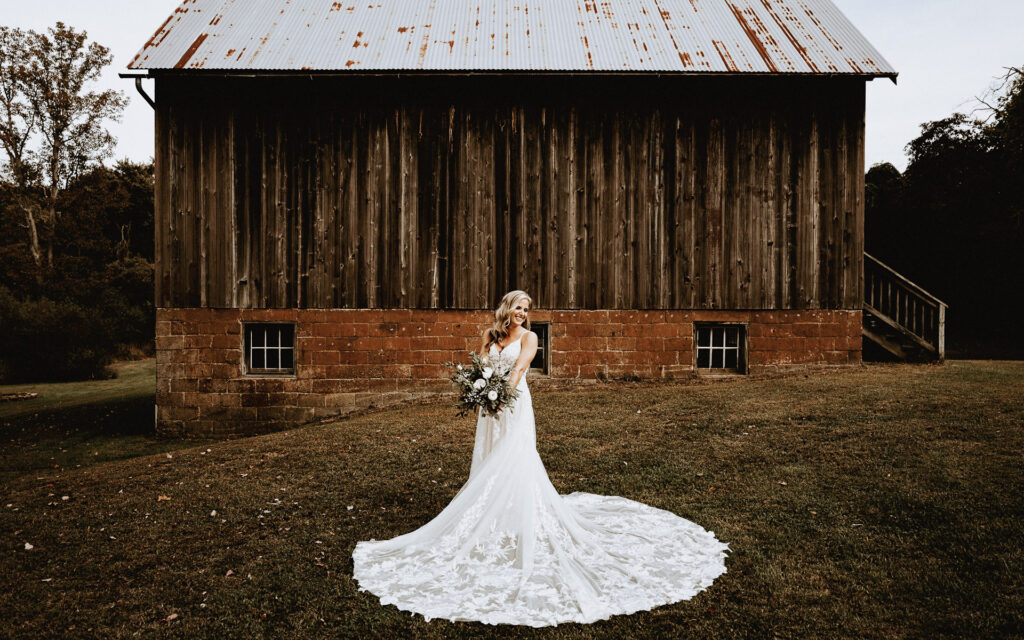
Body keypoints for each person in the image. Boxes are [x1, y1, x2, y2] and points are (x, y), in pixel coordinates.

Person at [352, 290, 729, 626]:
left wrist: (500, 396)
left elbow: (519, 368)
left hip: (512, 404)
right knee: (490, 458)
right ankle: (491, 513)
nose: (523, 313)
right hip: (489, 406)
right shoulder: (490, 336)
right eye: (518, 307)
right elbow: (481, 366)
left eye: (527, 309)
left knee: (514, 459)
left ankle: (520, 514)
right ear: (507, 308)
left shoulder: (531, 337)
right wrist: (480, 391)